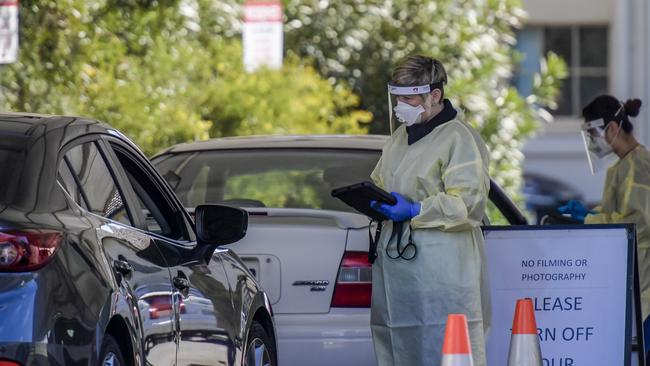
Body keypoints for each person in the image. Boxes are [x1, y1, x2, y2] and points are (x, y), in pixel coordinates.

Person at [369, 55, 491, 366]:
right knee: (400, 346)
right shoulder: (399, 138)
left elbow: (467, 204)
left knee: (446, 348)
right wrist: (374, 200)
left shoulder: (459, 139)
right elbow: (381, 180)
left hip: (443, 270)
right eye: (397, 97)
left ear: (434, 95)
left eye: (408, 98)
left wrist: (415, 209)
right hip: (399, 270)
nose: (400, 105)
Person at [557, 95, 650, 349]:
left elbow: (638, 222)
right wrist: (590, 215)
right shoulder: (621, 167)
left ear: (611, 128)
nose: (591, 141)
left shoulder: (640, 164)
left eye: (592, 133)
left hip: (645, 288)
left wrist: (590, 219)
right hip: (630, 282)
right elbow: (616, 213)